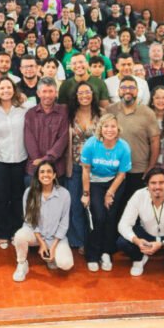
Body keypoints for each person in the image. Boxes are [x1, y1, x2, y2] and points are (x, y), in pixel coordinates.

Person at [117, 168, 164, 283]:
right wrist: (137, 241)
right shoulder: (138, 195)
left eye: (161, 183)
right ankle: (139, 258)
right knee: (122, 242)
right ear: (147, 185)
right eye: (153, 183)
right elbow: (123, 225)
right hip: (146, 234)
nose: (157, 187)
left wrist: (162, 244)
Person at [80, 114, 132, 272]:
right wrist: (86, 193)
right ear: (100, 129)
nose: (110, 130)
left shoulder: (123, 147)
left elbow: (122, 174)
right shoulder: (91, 144)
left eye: (113, 126)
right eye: (106, 126)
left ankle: (106, 252)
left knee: (110, 217)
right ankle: (92, 255)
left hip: (114, 183)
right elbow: (86, 169)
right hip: (94, 183)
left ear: (118, 129)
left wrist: (110, 193)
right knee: (99, 217)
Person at [0, 77, 29, 249]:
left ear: (14, 89)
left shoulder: (24, 108)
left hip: (20, 157)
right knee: (1, 197)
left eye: (8, 87)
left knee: (17, 197)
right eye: (2, 88)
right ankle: (3, 233)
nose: (5, 91)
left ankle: (17, 231)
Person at [106, 76, 161, 211]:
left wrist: (151, 168)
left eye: (131, 88)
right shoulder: (110, 111)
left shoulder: (148, 113)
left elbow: (155, 141)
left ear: (137, 91)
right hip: (113, 170)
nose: (127, 91)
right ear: (118, 91)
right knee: (114, 209)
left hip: (138, 170)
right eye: (124, 87)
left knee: (136, 210)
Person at [12, 161, 74, 281]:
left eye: (49, 171)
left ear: (55, 175)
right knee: (19, 236)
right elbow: (30, 220)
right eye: (42, 172)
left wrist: (53, 246)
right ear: (37, 176)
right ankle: (22, 264)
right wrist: (42, 243)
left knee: (66, 264)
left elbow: (64, 223)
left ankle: (50, 256)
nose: (46, 175)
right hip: (35, 234)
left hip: (54, 236)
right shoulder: (29, 192)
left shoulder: (64, 194)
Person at [65, 81, 101, 253]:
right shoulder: (69, 115)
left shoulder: (102, 114)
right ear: (76, 96)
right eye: (80, 93)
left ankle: (95, 240)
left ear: (93, 94)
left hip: (97, 168)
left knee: (95, 206)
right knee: (75, 205)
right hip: (75, 166)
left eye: (88, 92)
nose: (84, 96)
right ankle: (79, 241)